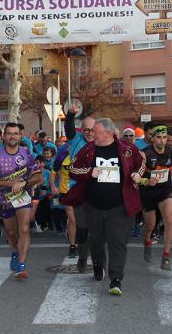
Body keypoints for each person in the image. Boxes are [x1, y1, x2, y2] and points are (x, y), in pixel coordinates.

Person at [65, 118, 144, 296]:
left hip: (120, 206)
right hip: (93, 205)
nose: (92, 134)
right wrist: (89, 172)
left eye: (96, 131)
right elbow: (72, 169)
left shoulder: (127, 149)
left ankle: (116, 279)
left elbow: (141, 163)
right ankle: (98, 264)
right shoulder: (88, 150)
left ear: (107, 133)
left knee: (117, 241)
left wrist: (137, 174)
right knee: (97, 240)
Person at [0, 122, 43, 279]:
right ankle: (15, 251)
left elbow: (39, 176)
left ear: (20, 136)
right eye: (9, 133)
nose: (12, 136)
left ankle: (22, 264)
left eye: (15, 133)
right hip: (4, 199)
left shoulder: (26, 153)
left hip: (22, 197)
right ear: (4, 136)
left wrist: (24, 183)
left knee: (24, 228)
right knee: (11, 232)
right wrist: (9, 183)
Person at [62, 100, 96, 270]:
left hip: (98, 188)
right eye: (86, 130)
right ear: (81, 130)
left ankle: (98, 262)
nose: (89, 133)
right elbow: (68, 129)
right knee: (80, 226)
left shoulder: (102, 141)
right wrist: (70, 114)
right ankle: (81, 255)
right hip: (78, 187)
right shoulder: (75, 140)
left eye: (92, 130)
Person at [139, 125, 172, 270]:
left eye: (164, 137)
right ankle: (147, 241)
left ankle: (166, 256)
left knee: (168, 221)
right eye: (159, 138)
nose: (162, 141)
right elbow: (135, 175)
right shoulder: (145, 154)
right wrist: (146, 181)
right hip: (148, 192)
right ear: (153, 139)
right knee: (150, 225)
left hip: (165, 191)